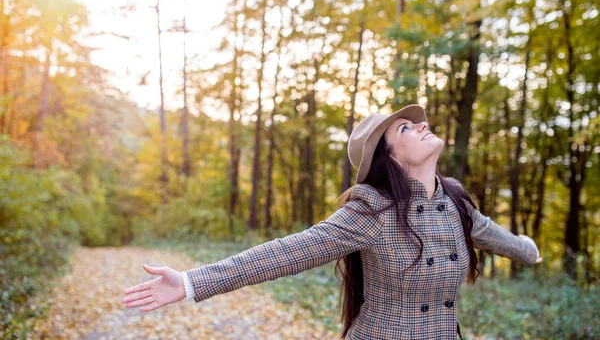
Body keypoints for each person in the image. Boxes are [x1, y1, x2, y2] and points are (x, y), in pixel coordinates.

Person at [122, 104, 542, 339]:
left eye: (420, 122)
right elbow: (289, 251)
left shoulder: (455, 201)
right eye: (407, 128)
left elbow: (492, 235)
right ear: (390, 154)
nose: (423, 125)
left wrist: (530, 251)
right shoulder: (370, 211)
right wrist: (192, 282)